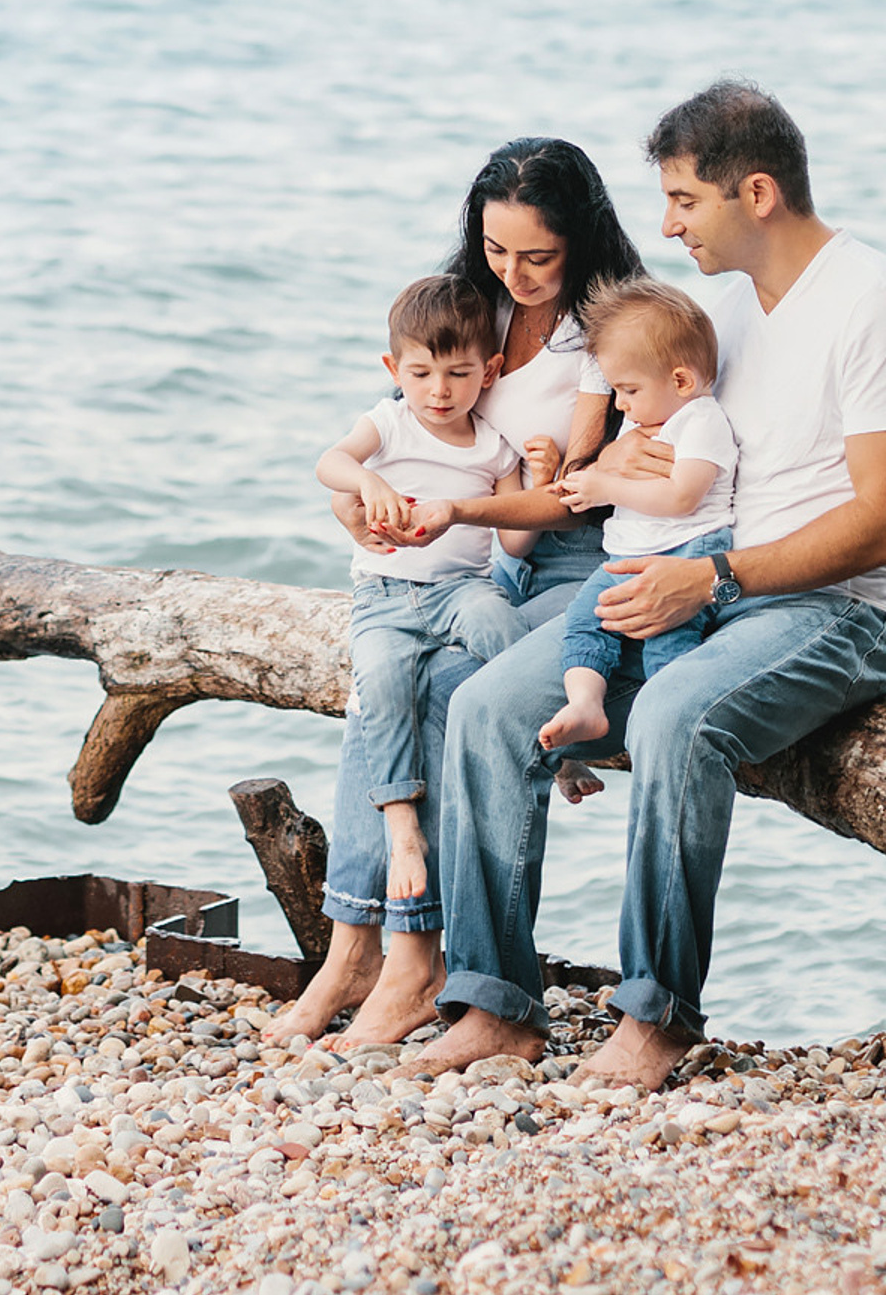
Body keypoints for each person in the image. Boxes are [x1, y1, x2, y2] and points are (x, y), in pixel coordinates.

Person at [407, 80, 886, 1085]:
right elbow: (643, 451)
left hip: (831, 610)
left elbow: (883, 524)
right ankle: (493, 1004)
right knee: (483, 707)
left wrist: (710, 578)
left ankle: (656, 1016)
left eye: (683, 201)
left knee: (674, 720)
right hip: (688, 577)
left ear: (756, 192)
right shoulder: (719, 313)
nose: (663, 224)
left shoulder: (877, 306)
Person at [264, 136, 643, 1049]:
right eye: (495, 249)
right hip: (469, 560)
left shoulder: (604, 334)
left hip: (565, 562)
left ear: (582, 243)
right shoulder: (465, 310)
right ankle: (358, 942)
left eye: (538, 257)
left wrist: (456, 509)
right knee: (376, 683)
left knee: (433, 687)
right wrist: (355, 510)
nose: (512, 273)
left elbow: (566, 494)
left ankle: (412, 955)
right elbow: (389, 444)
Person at [319, 275, 536, 906]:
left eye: (458, 374)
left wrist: (538, 477)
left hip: (459, 589)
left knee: (503, 630)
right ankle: (400, 822)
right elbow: (327, 462)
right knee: (381, 683)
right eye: (420, 374)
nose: (438, 392)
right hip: (384, 593)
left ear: (489, 371)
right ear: (394, 368)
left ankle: (556, 746)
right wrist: (366, 484)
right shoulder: (389, 423)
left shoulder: (495, 449)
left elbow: (516, 545)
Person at [536, 275, 735, 761]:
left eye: (628, 390)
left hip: (686, 552)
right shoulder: (650, 416)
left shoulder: (699, 420)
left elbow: (683, 496)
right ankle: (587, 704)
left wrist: (605, 485)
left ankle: (669, 726)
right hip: (632, 554)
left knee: (667, 637)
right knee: (584, 622)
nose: (620, 404)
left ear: (681, 381)